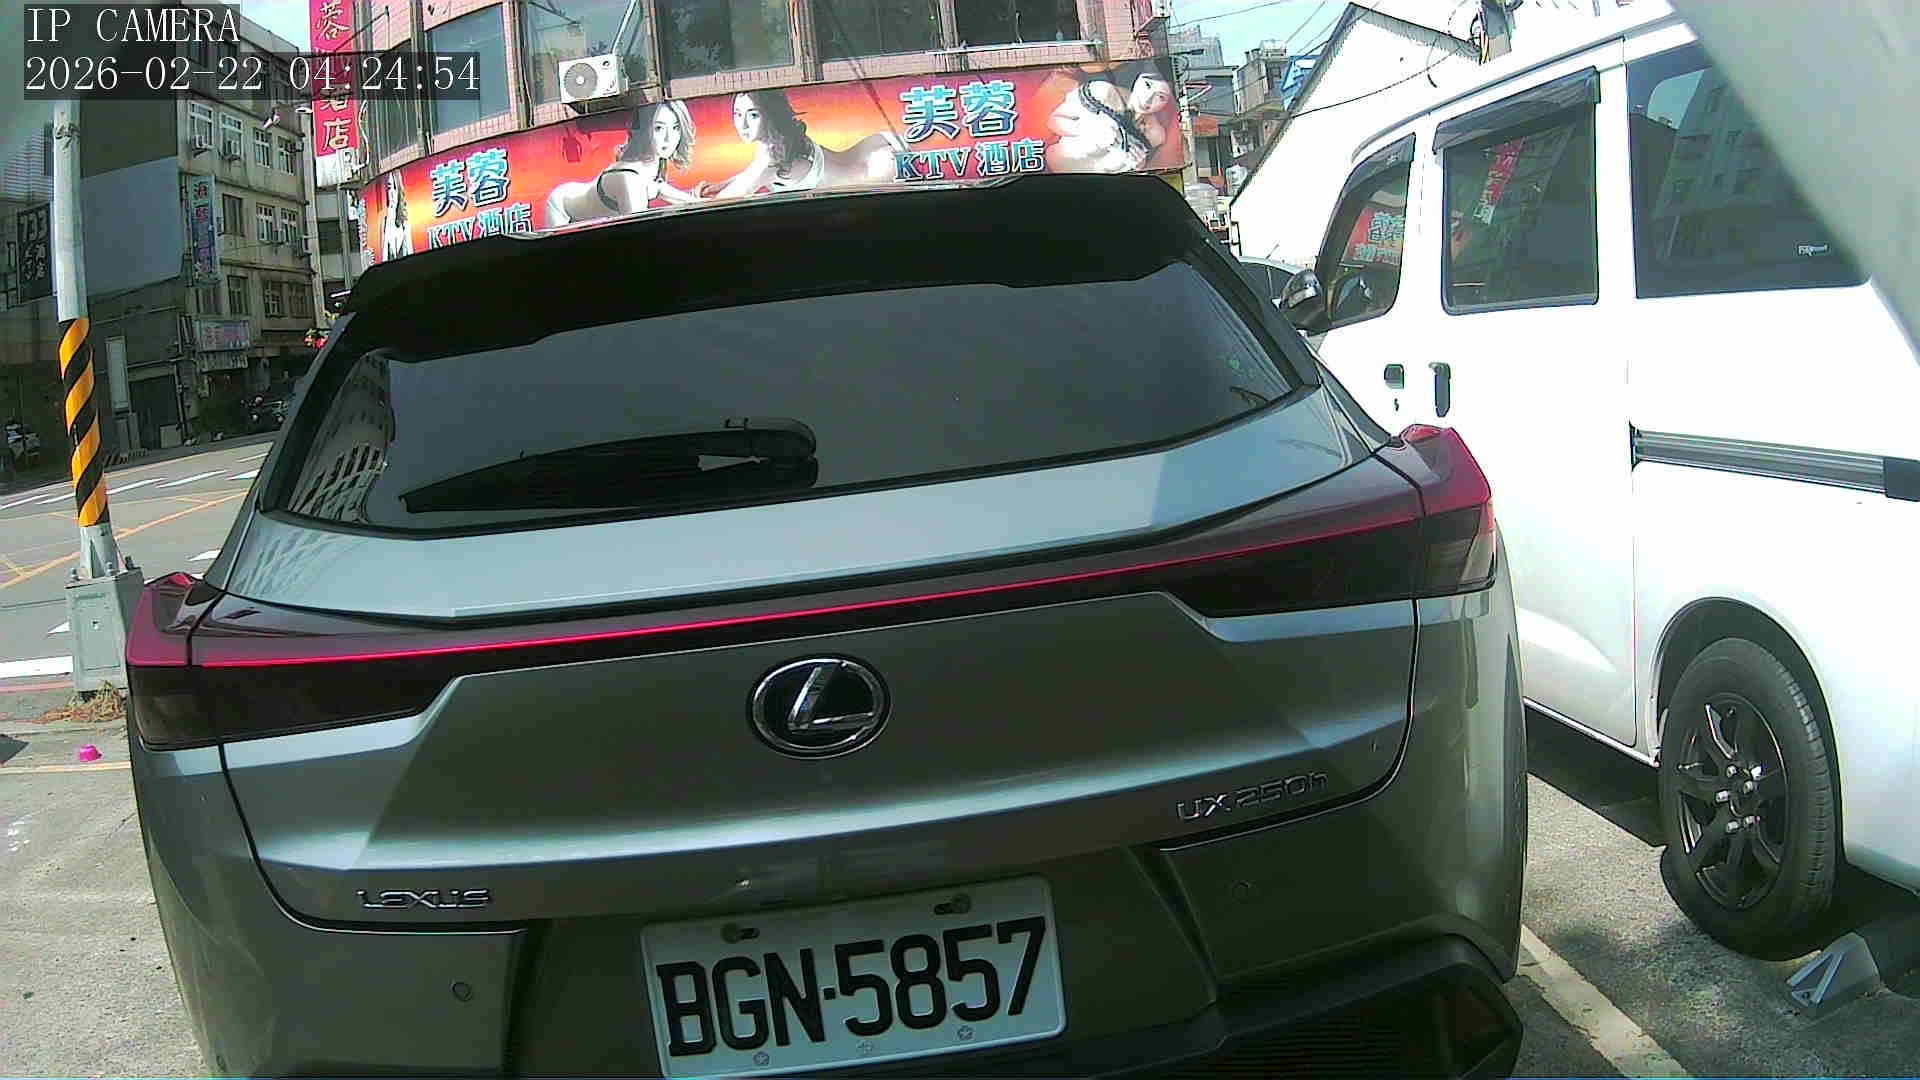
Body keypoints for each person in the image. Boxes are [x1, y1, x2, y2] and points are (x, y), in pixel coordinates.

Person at [712, 90, 903, 198]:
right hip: (875, 146)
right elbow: (750, 173)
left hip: (880, 170)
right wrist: (720, 184)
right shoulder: (778, 143)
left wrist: (707, 195)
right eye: (737, 114)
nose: (742, 125)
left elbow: (722, 202)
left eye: (753, 115)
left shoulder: (771, 161)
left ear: (770, 115)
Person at [545, 99, 702, 226]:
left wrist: (698, 201)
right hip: (561, 208)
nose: (669, 138)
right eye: (659, 128)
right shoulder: (629, 178)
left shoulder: (655, 162)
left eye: (675, 128)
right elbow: (637, 235)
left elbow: (659, 188)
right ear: (645, 131)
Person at [1045, 62, 1175, 174]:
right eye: (1147, 85)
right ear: (1137, 79)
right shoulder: (1102, 91)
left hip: (1101, 187)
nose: (1148, 99)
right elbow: (1054, 121)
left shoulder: (1155, 134)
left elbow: (1141, 169)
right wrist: (1090, 129)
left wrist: (1138, 165)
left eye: (1160, 97)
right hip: (1056, 168)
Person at [379, 172, 413, 260]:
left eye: (394, 188)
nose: (391, 193)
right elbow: (384, 258)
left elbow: (411, 254)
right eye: (389, 188)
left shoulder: (405, 223)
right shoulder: (385, 223)